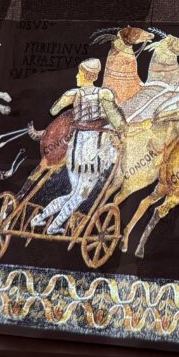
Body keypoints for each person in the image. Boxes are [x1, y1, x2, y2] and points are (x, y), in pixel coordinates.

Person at [30, 58, 126, 235]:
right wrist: (122, 130)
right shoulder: (104, 94)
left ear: (86, 75)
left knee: (73, 193)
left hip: (76, 149)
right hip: (93, 149)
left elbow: (54, 110)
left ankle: (39, 218)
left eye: (79, 73)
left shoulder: (73, 94)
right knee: (80, 196)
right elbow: (116, 119)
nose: (76, 76)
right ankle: (53, 226)